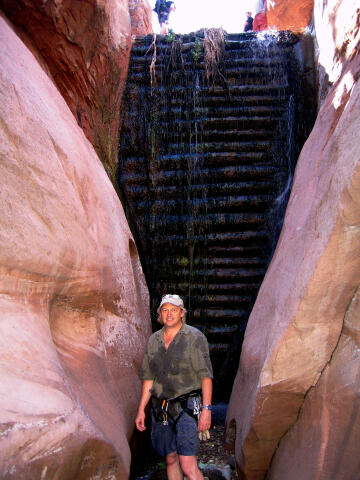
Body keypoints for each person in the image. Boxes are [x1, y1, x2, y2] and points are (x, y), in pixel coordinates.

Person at [135, 294, 213, 480]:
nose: (169, 314)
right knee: (170, 458)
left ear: (181, 313)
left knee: (188, 464)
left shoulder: (195, 337)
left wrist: (207, 410)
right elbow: (148, 378)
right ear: (160, 314)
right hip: (160, 407)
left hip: (188, 405)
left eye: (174, 310)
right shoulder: (154, 340)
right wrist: (141, 410)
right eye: (165, 310)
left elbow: (206, 376)